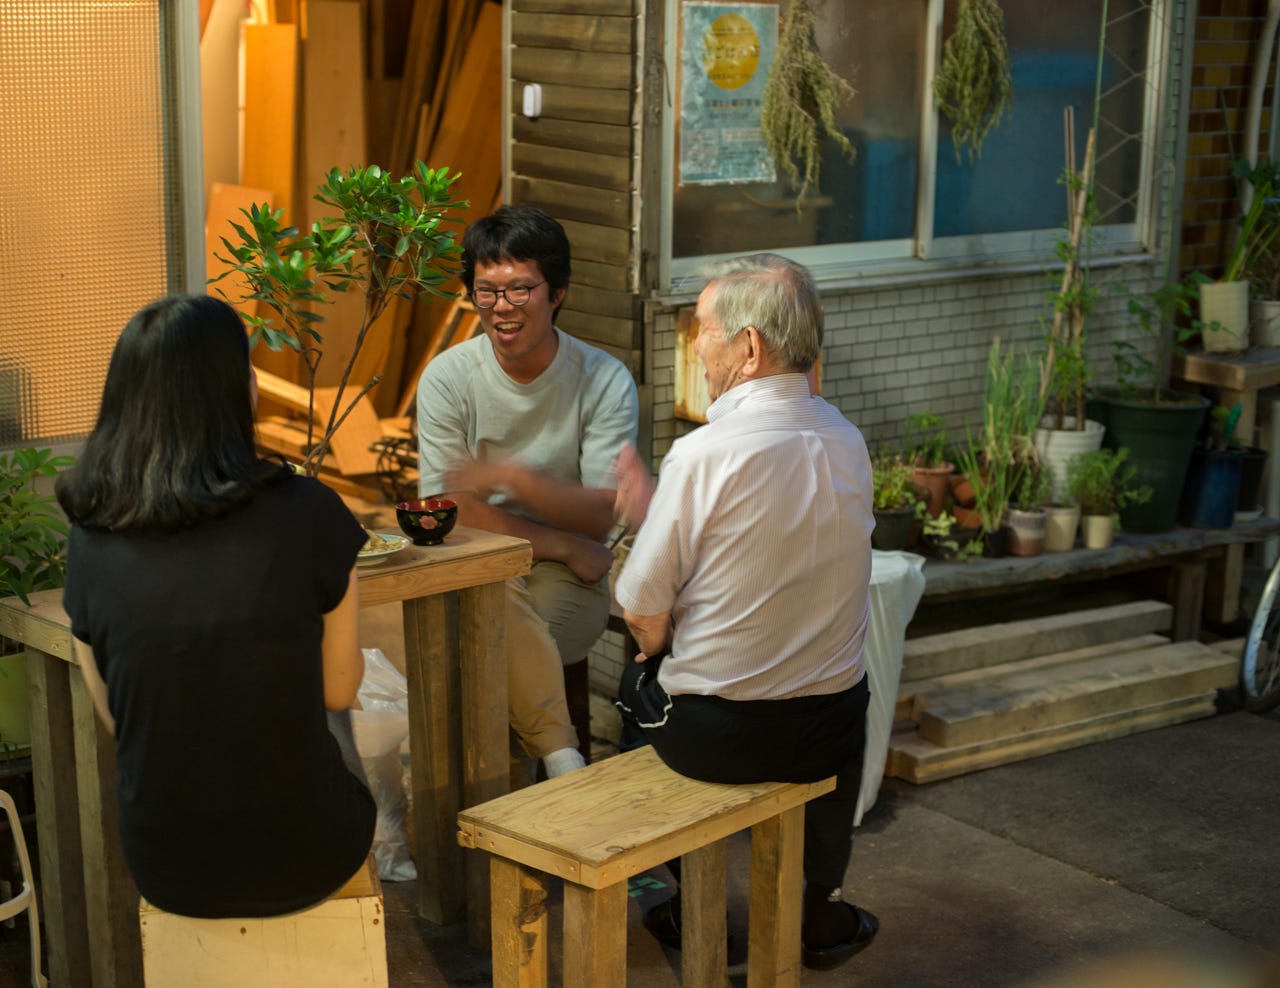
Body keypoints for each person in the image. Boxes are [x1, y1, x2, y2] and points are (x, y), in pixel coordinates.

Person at [56, 294, 375, 918]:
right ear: (233, 389)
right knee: (333, 714)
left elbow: (117, 716)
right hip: (308, 855)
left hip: (166, 866)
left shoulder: (91, 535)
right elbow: (339, 690)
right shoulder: (309, 512)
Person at [612, 253, 878, 971]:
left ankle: (684, 904)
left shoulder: (704, 453)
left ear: (750, 346)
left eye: (701, 329)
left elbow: (639, 604)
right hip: (830, 728)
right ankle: (816, 911)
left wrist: (657, 635)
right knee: (845, 682)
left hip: (723, 736)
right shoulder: (848, 441)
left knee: (634, 677)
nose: (697, 345)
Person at [416, 204, 638, 779]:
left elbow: (599, 514)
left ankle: (498, 841)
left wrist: (512, 481)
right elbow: (448, 511)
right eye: (486, 292)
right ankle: (565, 774)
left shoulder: (603, 379)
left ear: (557, 292)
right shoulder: (448, 377)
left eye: (520, 290)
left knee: (494, 659)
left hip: (565, 581)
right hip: (485, 564)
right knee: (495, 603)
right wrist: (562, 543)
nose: (501, 309)